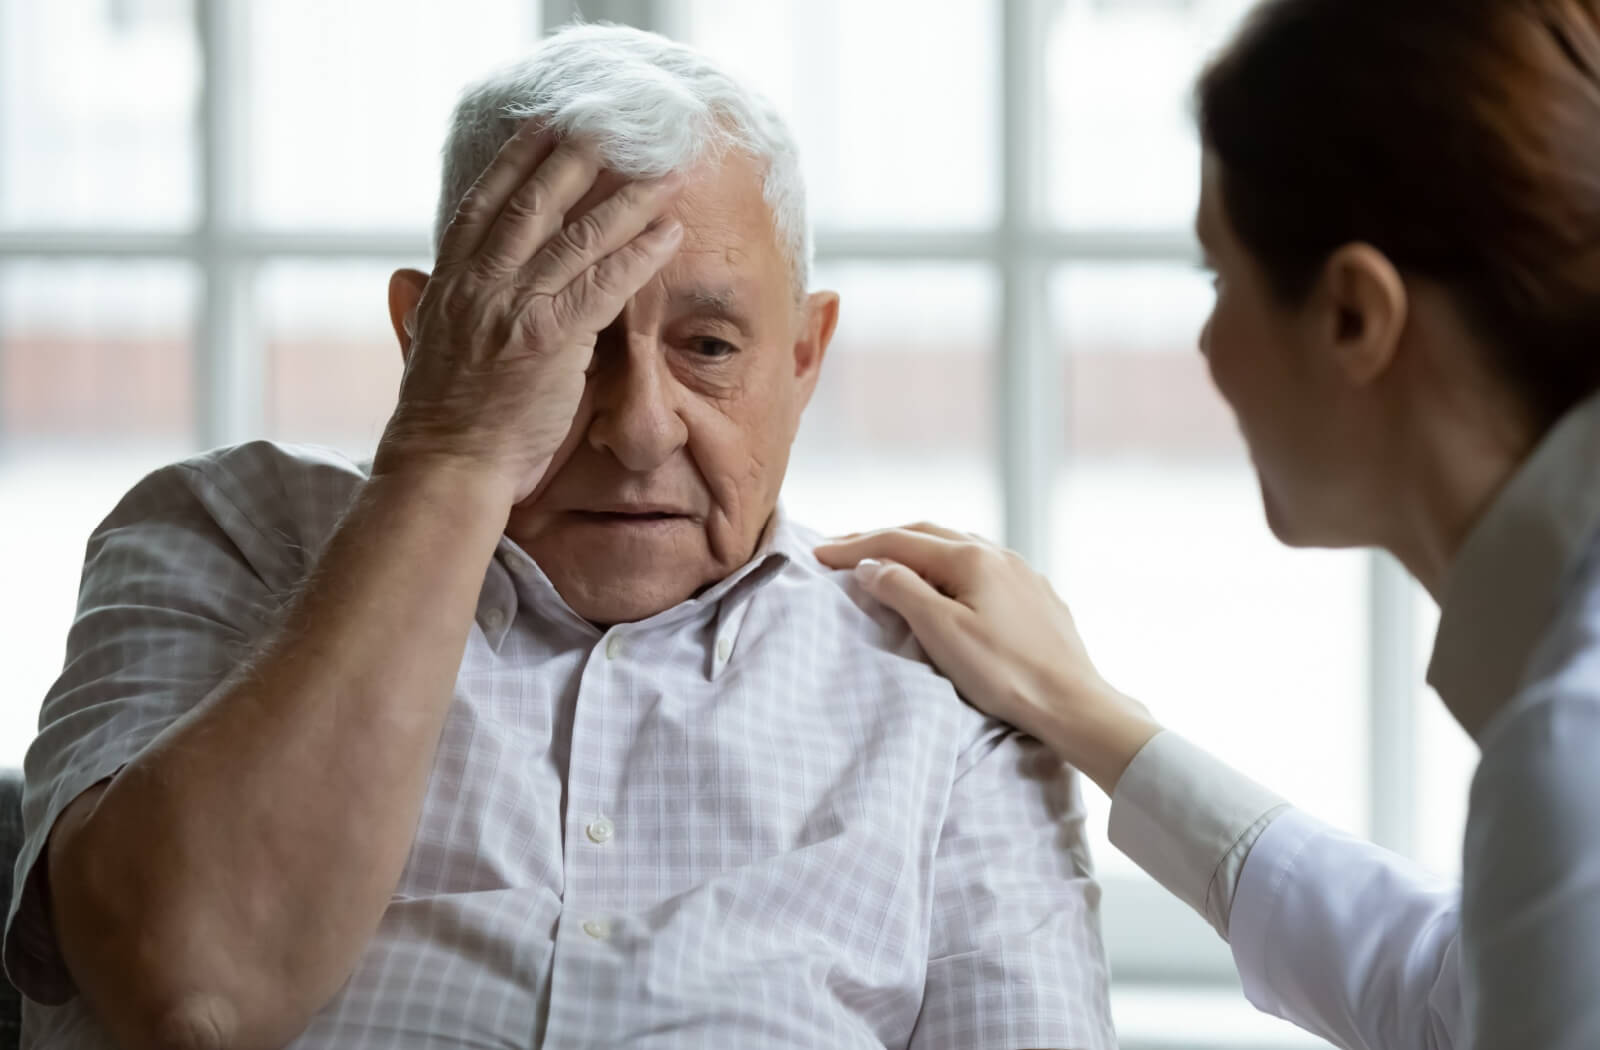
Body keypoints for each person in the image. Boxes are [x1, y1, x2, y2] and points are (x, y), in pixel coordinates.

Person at [3, 25, 1116, 1050]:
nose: (636, 430)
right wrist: (452, 449)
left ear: (803, 357)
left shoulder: (940, 683)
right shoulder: (225, 537)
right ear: (426, 334)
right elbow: (192, 988)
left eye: (710, 347)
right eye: (565, 337)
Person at [818, 2, 1600, 1049]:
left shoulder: (1570, 750)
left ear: (1353, 316)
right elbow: (1447, 987)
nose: (1205, 346)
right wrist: (1087, 714)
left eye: (1219, 278)